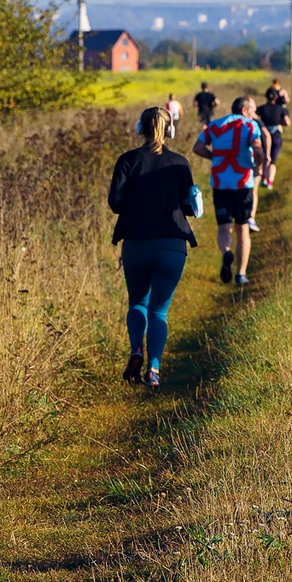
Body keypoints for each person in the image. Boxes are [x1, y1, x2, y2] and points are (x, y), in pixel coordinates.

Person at [108, 106, 199, 389]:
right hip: (172, 246)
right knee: (159, 312)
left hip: (136, 244)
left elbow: (115, 204)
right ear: (170, 130)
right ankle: (154, 369)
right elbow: (190, 207)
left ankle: (136, 350)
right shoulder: (180, 163)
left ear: (140, 128)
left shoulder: (127, 161)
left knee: (137, 303)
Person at [193, 93, 267, 285]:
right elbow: (258, 149)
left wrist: (214, 158)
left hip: (220, 183)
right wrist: (257, 165)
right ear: (244, 110)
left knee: (223, 227)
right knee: (242, 229)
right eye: (252, 111)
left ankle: (227, 252)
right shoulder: (250, 125)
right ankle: (241, 274)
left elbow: (197, 147)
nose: (254, 115)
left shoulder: (215, 125)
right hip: (242, 183)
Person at [259, 81, 291, 186]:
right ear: (276, 97)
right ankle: (269, 182)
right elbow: (287, 122)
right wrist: (278, 122)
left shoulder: (261, 109)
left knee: (265, 157)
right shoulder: (280, 109)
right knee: (273, 160)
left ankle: (263, 177)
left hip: (263, 135)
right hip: (276, 135)